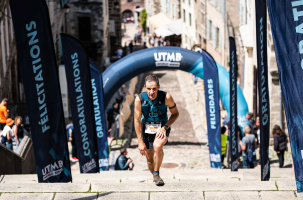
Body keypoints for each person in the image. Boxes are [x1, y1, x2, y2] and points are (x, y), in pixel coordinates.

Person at [134, 75, 179, 186]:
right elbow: (136, 120)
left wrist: (165, 127)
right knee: (149, 160)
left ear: (158, 87)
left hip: (162, 126)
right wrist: (140, 141)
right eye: (149, 89)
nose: (151, 92)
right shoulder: (139, 99)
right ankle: (155, 175)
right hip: (146, 128)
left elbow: (175, 114)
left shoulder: (166, 97)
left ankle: (156, 173)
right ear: (145, 87)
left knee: (158, 146)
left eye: (154, 89)